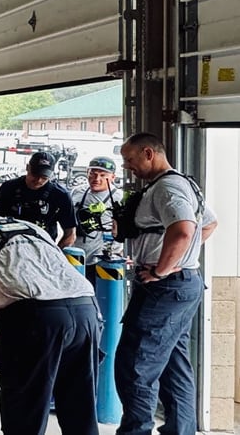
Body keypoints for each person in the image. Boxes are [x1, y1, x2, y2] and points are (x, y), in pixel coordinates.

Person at [0, 206, 101, 435]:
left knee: (24, 412)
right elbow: (37, 273)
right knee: (80, 408)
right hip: (85, 309)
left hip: (36, 318)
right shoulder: (31, 228)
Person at [114, 133, 217, 435]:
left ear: (148, 153)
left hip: (164, 289)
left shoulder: (168, 188)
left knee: (136, 366)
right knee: (173, 365)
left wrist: (163, 269)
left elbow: (185, 231)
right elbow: (208, 224)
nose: (127, 167)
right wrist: (179, 262)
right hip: (183, 285)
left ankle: (136, 431)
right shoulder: (182, 183)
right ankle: (180, 430)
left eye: (130, 160)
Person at [0, 151, 77, 248]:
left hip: (44, 248)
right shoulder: (8, 188)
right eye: (35, 175)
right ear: (27, 167)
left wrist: (57, 254)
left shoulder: (60, 195)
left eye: (44, 177)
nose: (38, 180)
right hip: (10, 247)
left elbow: (70, 234)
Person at [70, 156, 124, 283]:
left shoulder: (119, 198)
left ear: (112, 177)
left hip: (103, 260)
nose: (96, 179)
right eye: (92, 174)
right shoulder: (78, 192)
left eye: (102, 175)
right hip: (77, 257)